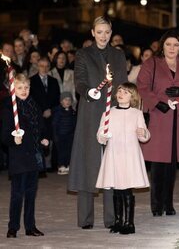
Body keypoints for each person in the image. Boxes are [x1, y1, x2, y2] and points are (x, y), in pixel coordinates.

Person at [68, 16, 128, 229]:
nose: (103, 36)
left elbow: (123, 84)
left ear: (111, 33)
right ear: (92, 33)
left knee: (111, 163)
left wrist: (124, 106)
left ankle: (111, 218)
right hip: (91, 112)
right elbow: (80, 80)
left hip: (113, 113)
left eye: (107, 32)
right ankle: (85, 219)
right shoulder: (84, 54)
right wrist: (87, 91)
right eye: (99, 32)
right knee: (88, 161)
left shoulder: (119, 55)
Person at [137, 29, 179, 217]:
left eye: (175, 44)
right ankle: (157, 205)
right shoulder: (152, 63)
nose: (172, 48)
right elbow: (142, 86)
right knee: (159, 163)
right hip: (160, 117)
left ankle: (169, 203)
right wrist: (157, 103)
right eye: (168, 44)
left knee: (172, 164)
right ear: (162, 45)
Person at [96, 82, 150, 235]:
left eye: (126, 92)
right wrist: (103, 136)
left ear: (132, 96)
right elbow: (100, 134)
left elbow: (145, 135)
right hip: (114, 153)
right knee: (117, 190)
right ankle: (118, 221)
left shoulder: (136, 113)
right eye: (119, 90)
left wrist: (143, 133)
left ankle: (129, 223)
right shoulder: (108, 113)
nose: (121, 94)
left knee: (127, 189)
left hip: (130, 155)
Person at [1, 74, 49, 238]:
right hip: (19, 156)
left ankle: (30, 226)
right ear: (12, 89)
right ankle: (13, 227)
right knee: (17, 194)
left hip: (34, 155)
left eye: (26, 87)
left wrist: (45, 138)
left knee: (30, 193)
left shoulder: (33, 105)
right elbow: (4, 135)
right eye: (20, 87)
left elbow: (42, 126)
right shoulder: (8, 106)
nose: (24, 90)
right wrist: (13, 139)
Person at [52, 92, 76, 175]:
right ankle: (61, 166)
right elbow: (54, 124)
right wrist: (55, 136)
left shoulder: (72, 111)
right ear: (61, 101)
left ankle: (67, 165)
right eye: (66, 100)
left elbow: (73, 123)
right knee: (61, 151)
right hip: (60, 135)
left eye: (69, 100)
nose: (68, 101)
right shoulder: (58, 111)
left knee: (69, 151)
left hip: (69, 135)